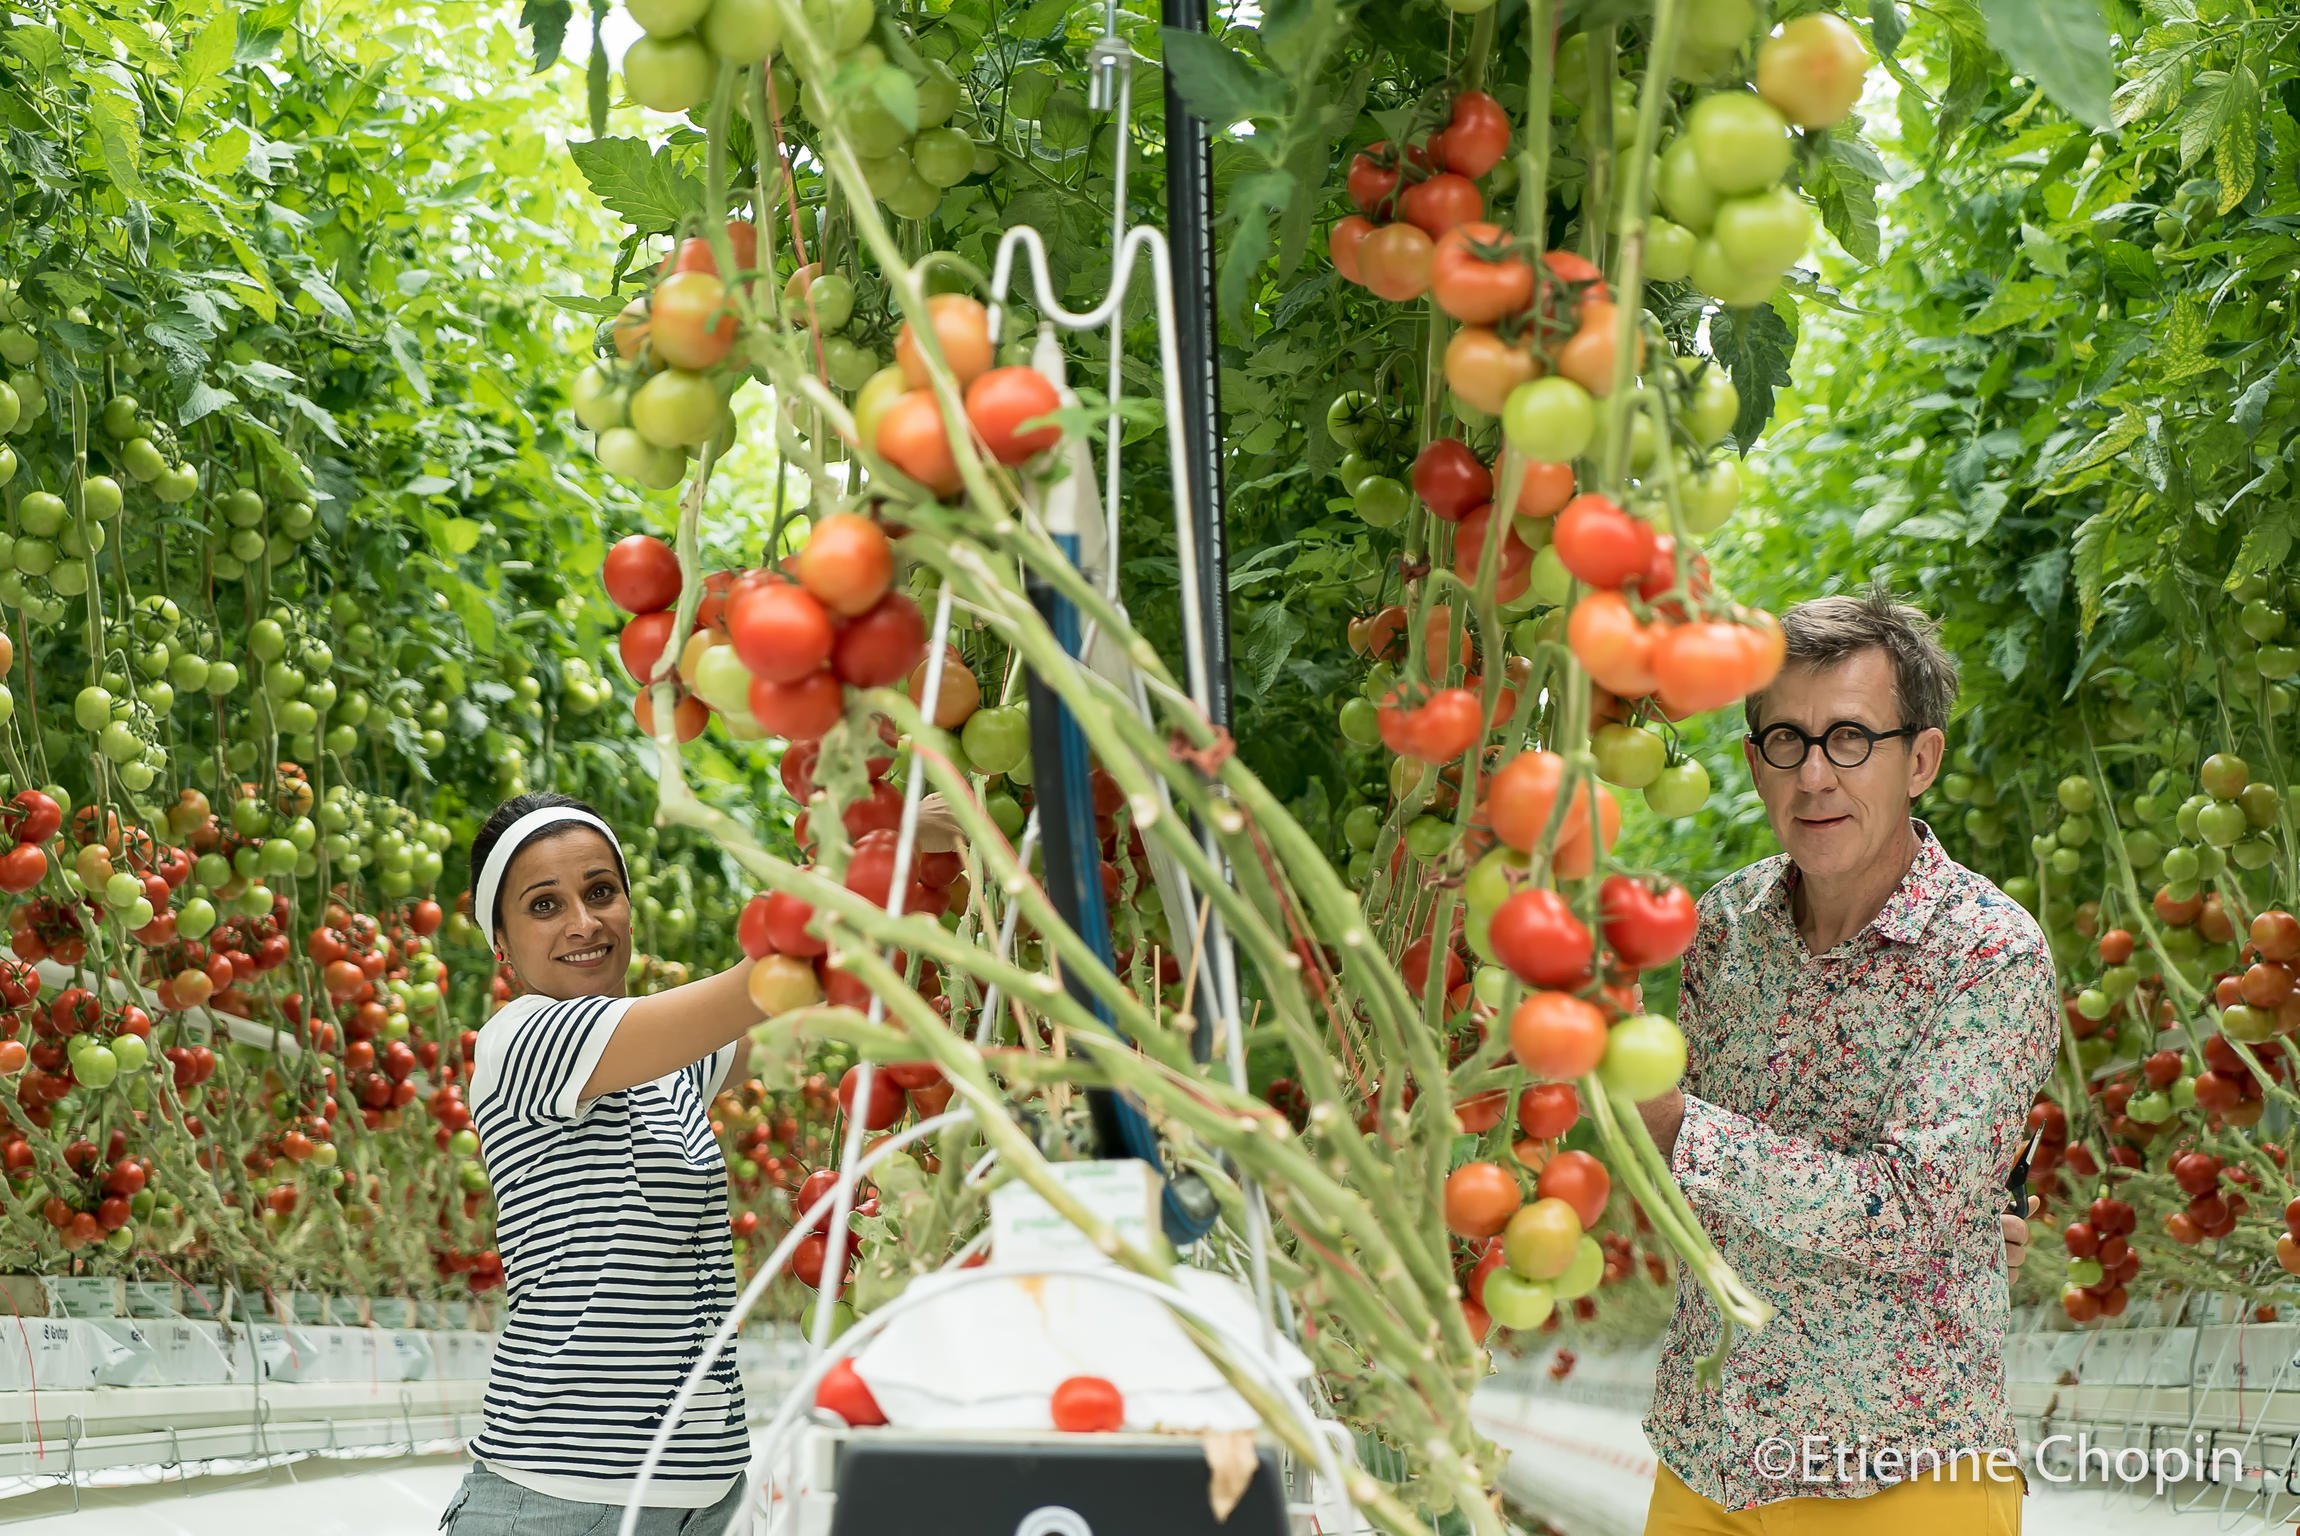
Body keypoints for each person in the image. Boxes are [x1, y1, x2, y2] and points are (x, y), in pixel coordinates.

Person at [1634, 591, 2059, 1535]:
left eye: (1852, 739)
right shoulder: (1721, 929)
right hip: (1710, 1459)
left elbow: (1908, 1209)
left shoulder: (1990, 952)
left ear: (1922, 759)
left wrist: (1676, 1128)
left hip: (1905, 1480)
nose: (1816, 775)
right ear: (1754, 766)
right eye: (1786, 740)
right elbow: (1696, 1201)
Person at [438, 791, 765, 1535]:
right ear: (501, 942)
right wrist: (865, 864)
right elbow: (757, 990)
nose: (583, 923)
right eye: (544, 905)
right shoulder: (520, 1039)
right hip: (559, 1500)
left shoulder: (671, 1063)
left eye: (599, 892)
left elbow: (806, 1019)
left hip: (704, 1497)